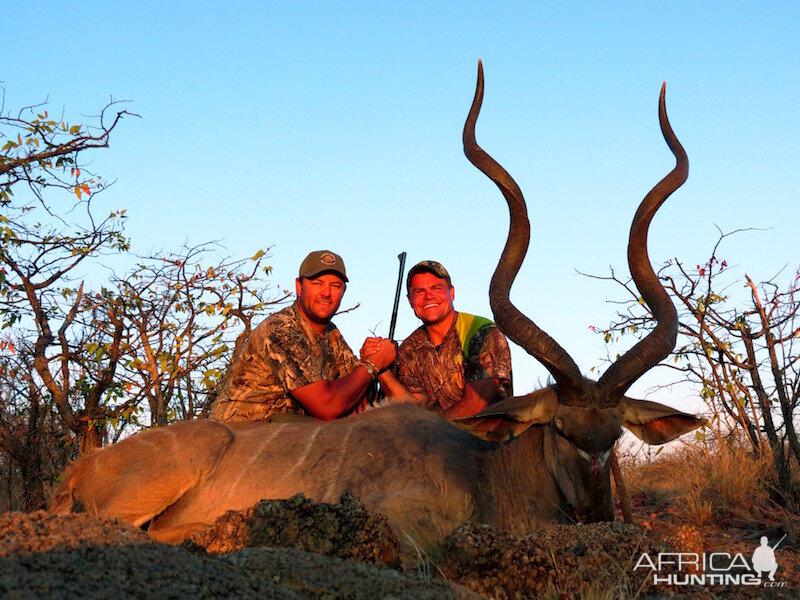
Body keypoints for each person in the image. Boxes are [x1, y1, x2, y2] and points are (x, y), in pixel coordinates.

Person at [210, 250, 395, 422]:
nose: (326, 293)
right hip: (243, 436)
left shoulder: (331, 333)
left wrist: (377, 362)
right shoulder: (280, 330)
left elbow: (357, 391)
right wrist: (374, 363)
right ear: (299, 286)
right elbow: (327, 406)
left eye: (335, 286)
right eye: (317, 284)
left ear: (343, 292)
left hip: (287, 434)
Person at [378, 260, 512, 418]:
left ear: (452, 293)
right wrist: (381, 369)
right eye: (419, 291)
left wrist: (429, 432)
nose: (428, 296)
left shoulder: (482, 332)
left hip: (487, 438)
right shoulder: (409, 349)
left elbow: (475, 405)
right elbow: (413, 409)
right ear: (410, 301)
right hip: (432, 438)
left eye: (436, 288)